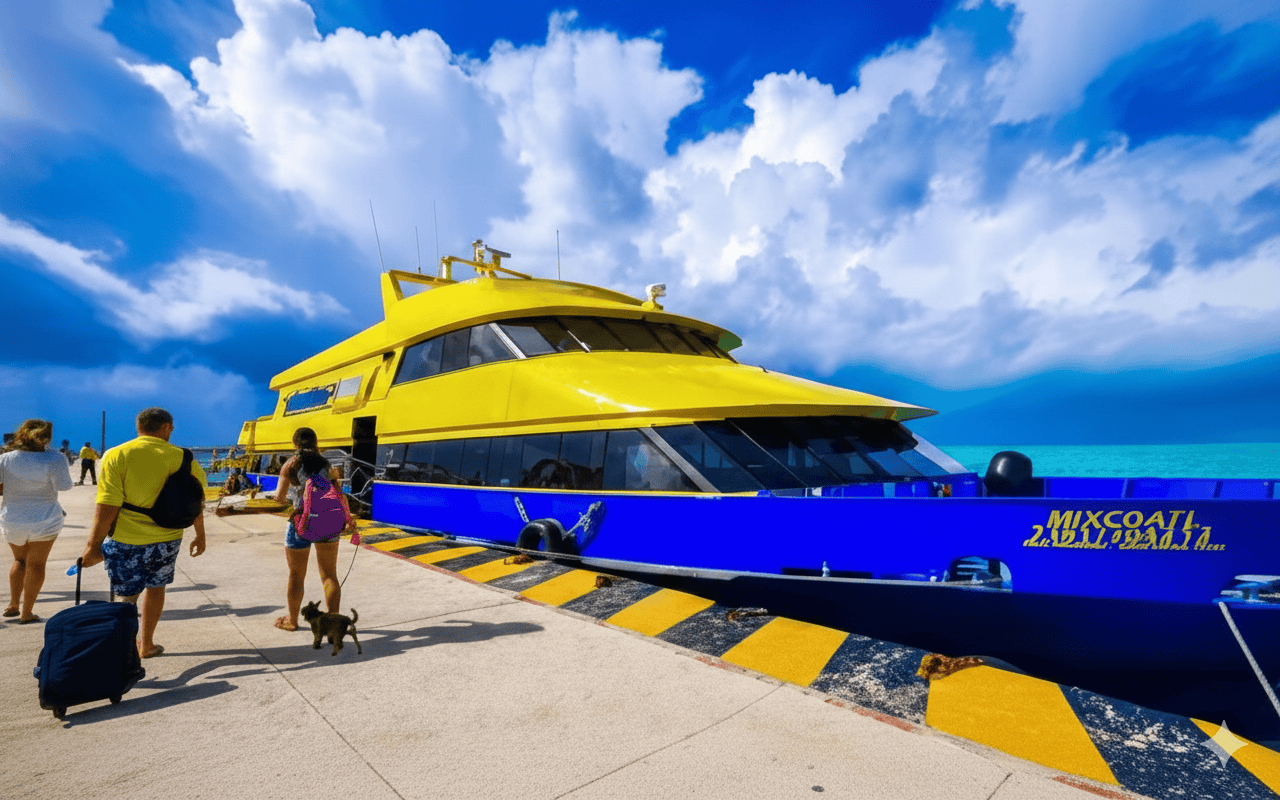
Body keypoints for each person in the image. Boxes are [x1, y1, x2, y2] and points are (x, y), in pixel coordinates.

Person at [80, 407, 207, 658]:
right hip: (167, 539)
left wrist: (93, 545)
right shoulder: (185, 458)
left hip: (126, 539)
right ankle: (146, 645)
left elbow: (107, 506)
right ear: (166, 427)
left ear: (139, 427)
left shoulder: (117, 454)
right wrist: (200, 535)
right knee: (156, 588)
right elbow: (196, 501)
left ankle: (124, 647)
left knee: (126, 597)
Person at [272, 427, 356, 631]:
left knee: (296, 576)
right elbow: (339, 495)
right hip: (328, 523)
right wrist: (348, 519)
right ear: (316, 443)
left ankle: (292, 620)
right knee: (329, 575)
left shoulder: (290, 465)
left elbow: (279, 499)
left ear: (295, 444)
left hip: (300, 524)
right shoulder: (327, 465)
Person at [1, 420, 73, 623]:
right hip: (45, 518)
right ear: (47, 437)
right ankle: (27, 613)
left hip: (12, 518)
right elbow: (64, 486)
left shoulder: (6, 458)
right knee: (37, 564)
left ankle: (13, 604)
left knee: (19, 561)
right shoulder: (55, 458)